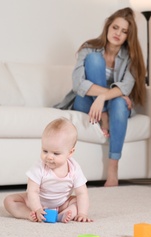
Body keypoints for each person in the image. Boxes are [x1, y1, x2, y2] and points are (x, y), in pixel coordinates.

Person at [54, 7, 146, 187]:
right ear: (108, 27)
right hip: (84, 102)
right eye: (115, 27)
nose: (118, 33)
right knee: (95, 62)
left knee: (120, 104)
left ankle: (113, 171)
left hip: (111, 106)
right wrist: (111, 94)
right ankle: (104, 115)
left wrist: (102, 98)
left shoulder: (131, 57)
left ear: (129, 36)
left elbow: (126, 86)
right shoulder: (88, 49)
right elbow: (78, 85)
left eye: (124, 31)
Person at [3, 118, 93, 223]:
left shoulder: (74, 168)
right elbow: (32, 191)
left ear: (70, 152)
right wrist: (37, 208)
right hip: (37, 202)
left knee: (78, 201)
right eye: (45, 151)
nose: (49, 157)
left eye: (56, 153)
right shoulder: (39, 167)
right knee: (9, 200)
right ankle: (29, 214)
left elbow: (82, 193)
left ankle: (64, 214)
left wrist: (82, 213)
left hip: (62, 204)